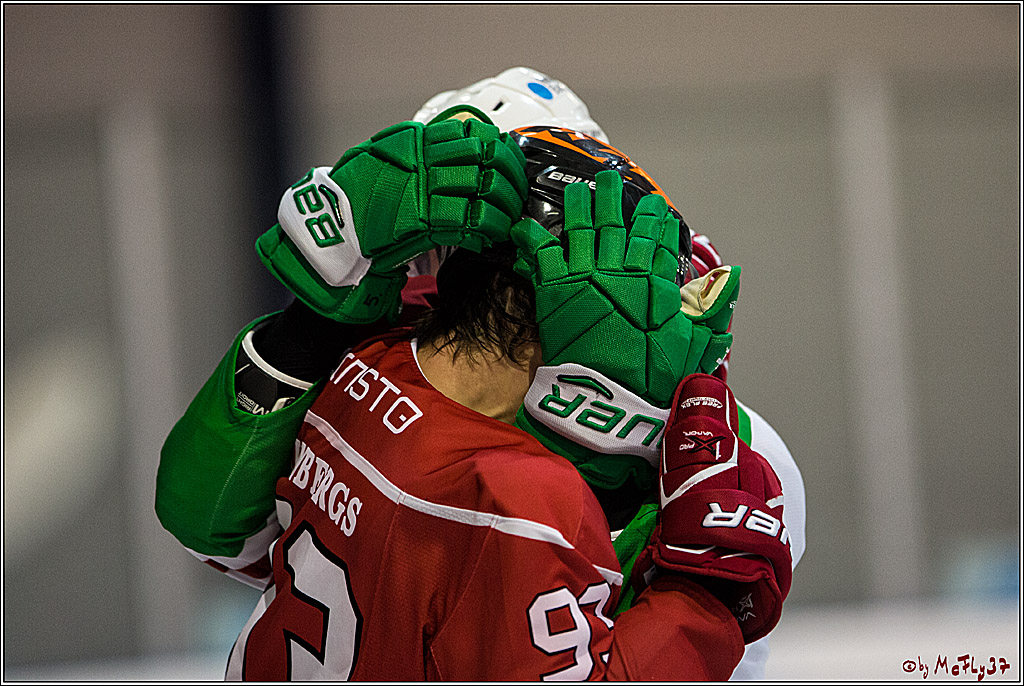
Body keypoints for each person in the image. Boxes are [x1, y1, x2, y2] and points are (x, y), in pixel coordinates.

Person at [156, 68, 802, 679]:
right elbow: (221, 532)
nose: (429, 278)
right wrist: (699, 597)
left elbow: (221, 534)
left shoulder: (368, 370)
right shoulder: (387, 362)